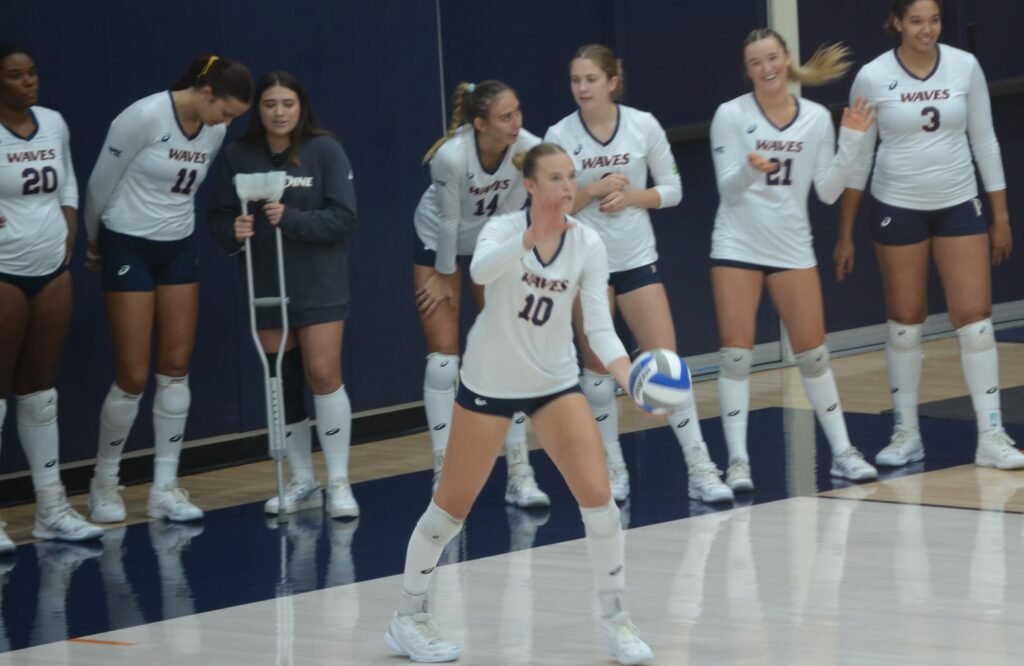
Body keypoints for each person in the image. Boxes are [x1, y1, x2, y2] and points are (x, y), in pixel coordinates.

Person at [386, 143, 654, 666]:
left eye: (571, 176)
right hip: (489, 383)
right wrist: (532, 237)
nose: (567, 186)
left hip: (554, 382)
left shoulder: (588, 244)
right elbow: (482, 273)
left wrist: (631, 380)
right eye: (555, 177)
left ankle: (617, 620)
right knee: (449, 511)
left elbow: (599, 328)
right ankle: (408, 616)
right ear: (530, 185)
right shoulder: (503, 230)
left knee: (600, 502)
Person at [835, 0, 1021, 469]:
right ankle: (906, 432)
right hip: (898, 206)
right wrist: (845, 233)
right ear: (897, 22)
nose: (927, 29)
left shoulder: (965, 66)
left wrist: (999, 215)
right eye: (916, 21)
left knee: (975, 319)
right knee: (904, 321)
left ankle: (991, 433)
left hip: (959, 204)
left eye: (934, 20)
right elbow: (858, 157)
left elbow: (985, 139)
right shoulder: (874, 77)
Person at [545, 44, 732, 504]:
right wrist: (591, 190)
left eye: (590, 79)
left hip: (636, 259)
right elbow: (552, 206)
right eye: (575, 80)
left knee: (667, 363)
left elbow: (673, 190)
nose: (582, 88)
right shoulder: (560, 133)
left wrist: (631, 198)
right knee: (597, 371)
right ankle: (612, 465)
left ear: (612, 81)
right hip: (586, 266)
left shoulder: (643, 125)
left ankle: (700, 466)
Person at [83, 55, 253, 523]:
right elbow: (99, 184)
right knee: (133, 375)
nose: (228, 122)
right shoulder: (142, 117)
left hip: (177, 246)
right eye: (226, 111)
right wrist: (95, 242)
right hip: (127, 244)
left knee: (176, 368)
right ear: (205, 94)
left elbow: (187, 190)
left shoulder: (214, 131)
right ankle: (103, 483)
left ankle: (165, 485)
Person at [709, 29, 879, 492]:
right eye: (755, 62)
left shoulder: (816, 118)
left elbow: (826, 191)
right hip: (737, 245)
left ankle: (843, 452)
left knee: (814, 354)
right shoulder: (730, 115)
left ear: (786, 60)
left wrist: (853, 142)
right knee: (736, 355)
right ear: (747, 70)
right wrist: (750, 167)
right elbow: (726, 188)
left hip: (791, 247)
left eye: (772, 58)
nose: (766, 68)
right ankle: (738, 462)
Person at [208, 70, 359, 518]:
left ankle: (339, 481)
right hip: (267, 283)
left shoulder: (324, 150)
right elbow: (217, 217)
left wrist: (289, 219)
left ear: (301, 107)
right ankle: (302, 480)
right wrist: (231, 231)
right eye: (270, 104)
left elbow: (344, 218)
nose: (279, 112)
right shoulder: (239, 154)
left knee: (323, 373)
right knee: (282, 378)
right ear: (259, 109)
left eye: (287, 104)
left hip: (319, 281)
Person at [413, 80, 550, 508]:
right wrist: (442, 275)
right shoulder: (452, 157)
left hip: (489, 241)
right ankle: (444, 472)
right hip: (439, 244)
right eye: (506, 117)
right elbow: (450, 224)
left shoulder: (530, 147)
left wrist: (506, 265)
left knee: (508, 348)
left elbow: (511, 215)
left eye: (518, 112)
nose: (517, 123)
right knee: (443, 359)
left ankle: (519, 471)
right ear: (479, 124)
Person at [0, 42, 103, 546]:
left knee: (41, 394)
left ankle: (50, 508)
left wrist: (67, 226)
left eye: (32, 72)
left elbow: (66, 183)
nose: (28, 81)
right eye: (15, 75)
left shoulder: (54, 122)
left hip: (50, 270)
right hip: (3, 271)